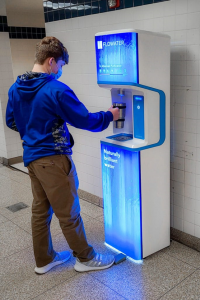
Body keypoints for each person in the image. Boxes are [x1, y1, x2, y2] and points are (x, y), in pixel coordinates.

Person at [5, 36, 120, 274]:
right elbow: (84, 120)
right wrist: (110, 115)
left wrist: (33, 131)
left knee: (41, 210)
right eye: (60, 66)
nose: (60, 71)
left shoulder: (16, 88)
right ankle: (86, 259)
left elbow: (11, 121)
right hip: (54, 160)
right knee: (69, 212)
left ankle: (45, 259)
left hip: (32, 158)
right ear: (51, 61)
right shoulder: (55, 89)